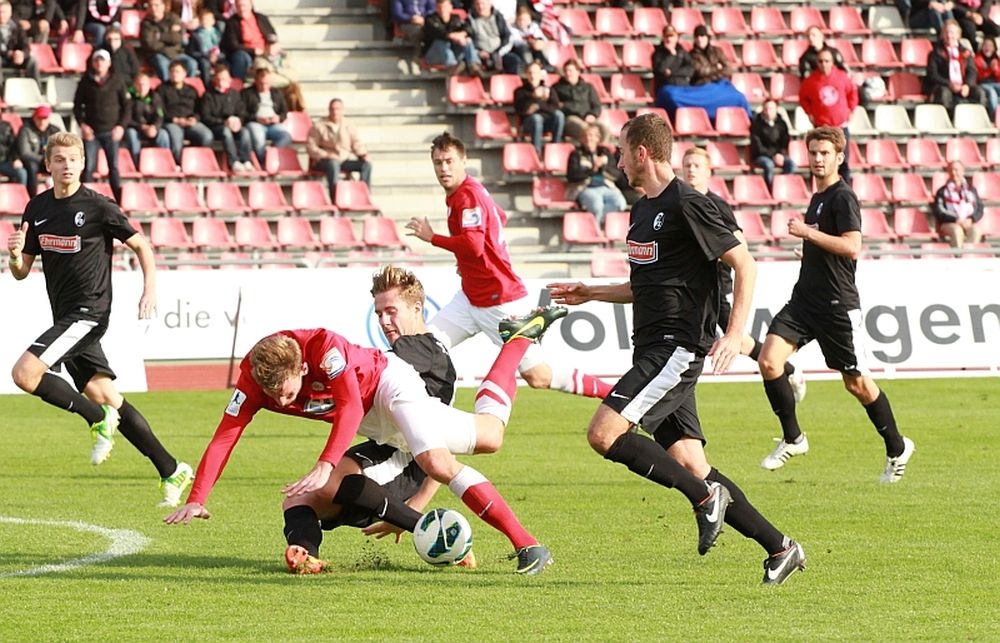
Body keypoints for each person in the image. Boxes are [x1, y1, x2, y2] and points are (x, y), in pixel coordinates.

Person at [546, 113, 806, 586]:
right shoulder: (641, 210)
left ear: (643, 152)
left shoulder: (689, 203)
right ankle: (781, 547)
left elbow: (745, 265)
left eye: (622, 150)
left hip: (676, 347)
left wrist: (733, 333)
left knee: (603, 434)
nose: (618, 160)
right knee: (692, 464)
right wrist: (591, 291)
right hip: (651, 346)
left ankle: (704, 499)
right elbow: (643, 285)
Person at [162, 302, 563, 576]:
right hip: (374, 423)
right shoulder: (255, 379)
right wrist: (198, 498)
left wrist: (325, 461)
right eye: (275, 398)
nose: (283, 402)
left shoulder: (323, 347)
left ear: (303, 366)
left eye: (287, 392)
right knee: (489, 435)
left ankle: (528, 545)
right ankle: (517, 342)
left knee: (438, 464)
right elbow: (224, 435)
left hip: (390, 387)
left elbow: (350, 407)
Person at [5, 131, 193, 508]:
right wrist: (12, 256)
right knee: (108, 396)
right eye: (59, 159)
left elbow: (141, 244)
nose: (67, 165)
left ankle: (95, 419)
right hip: (65, 315)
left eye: (73, 159)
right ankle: (171, 468)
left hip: (89, 312)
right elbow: (22, 271)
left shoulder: (97, 206)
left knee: (24, 375)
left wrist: (149, 289)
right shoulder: (37, 208)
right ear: (48, 164)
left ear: (83, 163)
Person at [755, 126, 915, 482]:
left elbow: (852, 246)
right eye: (813, 152)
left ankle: (896, 446)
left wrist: (808, 234)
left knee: (855, 383)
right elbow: (830, 247)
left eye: (824, 153)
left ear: (839, 157)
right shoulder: (818, 198)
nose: (817, 159)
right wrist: (810, 251)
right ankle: (793, 438)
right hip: (804, 300)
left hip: (835, 304)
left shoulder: (843, 197)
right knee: (768, 360)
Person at [405, 131, 612, 400]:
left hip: (498, 298)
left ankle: (614, 394)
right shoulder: (468, 192)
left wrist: (432, 238)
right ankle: (433, 416)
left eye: (449, 161)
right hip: (470, 297)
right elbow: (499, 217)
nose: (443, 168)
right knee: (425, 346)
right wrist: (468, 261)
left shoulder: (467, 196)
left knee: (538, 376)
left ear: (463, 160)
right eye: (438, 162)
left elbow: (474, 245)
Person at [682, 146, 806, 402]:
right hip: (690, 288)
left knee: (734, 340)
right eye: (687, 165)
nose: (691, 170)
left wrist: (712, 252)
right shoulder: (680, 202)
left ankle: (787, 370)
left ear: (708, 171)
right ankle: (787, 370)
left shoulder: (715, 205)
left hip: (716, 288)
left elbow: (740, 244)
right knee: (735, 341)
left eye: (697, 165)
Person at [73, 48, 129, 203]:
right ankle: (86, 201)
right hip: (92, 132)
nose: (99, 63)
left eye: (102, 60)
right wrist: (82, 125)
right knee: (88, 167)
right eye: (97, 60)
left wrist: (121, 126)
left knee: (114, 168)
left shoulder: (117, 80)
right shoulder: (86, 81)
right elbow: (77, 106)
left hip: (111, 131)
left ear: (109, 63)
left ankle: (118, 202)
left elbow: (127, 106)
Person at [799, 48, 858, 183]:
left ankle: (845, 195)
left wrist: (851, 110)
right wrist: (809, 112)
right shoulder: (811, 81)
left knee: (842, 162)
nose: (823, 64)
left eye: (826, 61)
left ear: (832, 62)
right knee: (819, 163)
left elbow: (852, 94)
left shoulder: (842, 76)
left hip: (840, 127)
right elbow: (803, 98)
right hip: (822, 129)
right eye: (820, 61)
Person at [306, 98, 372, 202]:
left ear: (342, 110)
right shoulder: (319, 126)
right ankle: (335, 198)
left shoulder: (349, 126)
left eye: (338, 109)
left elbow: (356, 143)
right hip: (324, 161)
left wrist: (363, 154)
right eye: (332, 109)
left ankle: (364, 196)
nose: (335, 112)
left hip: (343, 159)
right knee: (333, 164)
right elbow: (311, 147)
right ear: (329, 110)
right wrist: (327, 155)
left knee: (366, 165)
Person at [565, 123, 626, 228]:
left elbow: (617, 174)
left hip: (606, 186)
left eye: (592, 135)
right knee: (596, 205)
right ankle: (596, 231)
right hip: (585, 188)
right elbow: (572, 175)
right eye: (586, 136)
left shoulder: (604, 152)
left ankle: (593, 225)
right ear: (582, 139)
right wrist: (593, 168)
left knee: (620, 203)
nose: (589, 138)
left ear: (598, 138)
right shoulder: (576, 154)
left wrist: (603, 166)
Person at [924, 19, 989, 117]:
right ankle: (948, 121)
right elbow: (932, 75)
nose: (949, 36)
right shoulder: (935, 53)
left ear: (958, 35)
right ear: (942, 35)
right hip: (945, 86)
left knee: (979, 93)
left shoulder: (966, 53)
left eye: (952, 33)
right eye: (946, 32)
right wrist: (950, 84)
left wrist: (967, 85)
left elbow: (972, 72)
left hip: (963, 86)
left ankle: (979, 119)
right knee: (943, 93)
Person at [158, 59, 214, 165]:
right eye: (172, 71)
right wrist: (174, 119)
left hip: (189, 121)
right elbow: (159, 110)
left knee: (207, 135)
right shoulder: (161, 89)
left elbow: (199, 109)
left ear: (184, 74)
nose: (174, 74)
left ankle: (198, 162)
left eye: (177, 72)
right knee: (176, 139)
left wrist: (195, 119)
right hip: (172, 122)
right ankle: (179, 165)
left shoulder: (192, 90)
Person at [200, 63, 254, 173]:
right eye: (219, 79)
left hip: (234, 124)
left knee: (245, 132)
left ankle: (246, 160)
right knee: (226, 132)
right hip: (217, 126)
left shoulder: (235, 94)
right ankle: (233, 162)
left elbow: (241, 111)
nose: (221, 82)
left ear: (229, 79)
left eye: (224, 79)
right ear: (215, 79)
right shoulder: (208, 95)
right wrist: (223, 122)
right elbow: (206, 116)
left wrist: (239, 121)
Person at [242, 66, 292, 167]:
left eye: (266, 83)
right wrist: (256, 119)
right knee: (258, 139)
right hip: (256, 123)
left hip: (273, 124)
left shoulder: (276, 93)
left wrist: (278, 118)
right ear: (256, 81)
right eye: (261, 83)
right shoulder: (247, 93)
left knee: (286, 136)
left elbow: (284, 111)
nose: (264, 86)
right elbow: (242, 113)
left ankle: (270, 156)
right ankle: (265, 162)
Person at [513, 60, 565, 154]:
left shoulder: (549, 90)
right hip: (529, 123)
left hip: (547, 122)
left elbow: (555, 107)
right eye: (530, 73)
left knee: (559, 115)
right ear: (526, 75)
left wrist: (538, 105)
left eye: (535, 73)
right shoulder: (520, 91)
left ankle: (555, 148)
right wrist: (533, 98)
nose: (533, 76)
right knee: (536, 118)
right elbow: (520, 110)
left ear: (540, 75)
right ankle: (537, 153)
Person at [221, 0, 280, 82]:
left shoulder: (261, 18)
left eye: (244, 5)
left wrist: (273, 45)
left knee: (279, 57)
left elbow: (272, 35)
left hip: (266, 51)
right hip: (246, 53)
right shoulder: (232, 22)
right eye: (238, 6)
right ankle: (238, 85)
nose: (241, 9)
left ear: (250, 5)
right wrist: (253, 51)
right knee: (241, 57)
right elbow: (233, 45)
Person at [140, 0, 199, 81]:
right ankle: (167, 88)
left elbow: (178, 38)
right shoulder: (146, 24)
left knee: (192, 63)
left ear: (163, 6)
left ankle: (186, 87)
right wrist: (169, 36)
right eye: (151, 6)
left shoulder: (173, 18)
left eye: (156, 5)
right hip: (158, 54)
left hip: (176, 53)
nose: (154, 8)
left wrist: (160, 36)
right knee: (163, 64)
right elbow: (149, 44)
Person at [420, 0, 480, 76]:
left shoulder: (456, 18)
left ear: (450, 8)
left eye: (445, 7)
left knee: (467, 41)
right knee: (441, 42)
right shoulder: (430, 20)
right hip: (434, 54)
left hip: (451, 51)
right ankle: (452, 66)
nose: (442, 10)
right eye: (439, 7)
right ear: (436, 8)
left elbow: (468, 29)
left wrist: (462, 34)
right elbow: (439, 33)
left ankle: (474, 65)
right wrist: (454, 37)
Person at [933, 159, 984, 248]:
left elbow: (979, 208)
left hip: (968, 221)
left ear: (962, 172)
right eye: (951, 170)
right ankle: (958, 257)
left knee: (976, 231)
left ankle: (968, 255)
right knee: (957, 231)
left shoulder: (971, 189)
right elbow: (939, 211)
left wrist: (971, 219)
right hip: (949, 222)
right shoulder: (942, 191)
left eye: (957, 170)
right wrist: (956, 219)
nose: (954, 172)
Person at [124, 71, 171, 166]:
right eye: (139, 85)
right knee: (131, 134)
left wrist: (155, 127)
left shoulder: (155, 97)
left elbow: (160, 115)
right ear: (134, 85)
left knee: (163, 134)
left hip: (151, 129)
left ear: (149, 85)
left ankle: (165, 163)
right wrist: (142, 127)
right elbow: (126, 118)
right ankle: (136, 163)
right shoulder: (128, 98)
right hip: (135, 128)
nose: (142, 88)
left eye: (144, 85)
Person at [552, 59, 605, 143]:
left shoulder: (588, 87)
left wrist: (592, 114)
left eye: (570, 71)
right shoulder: (557, 88)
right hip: (570, 118)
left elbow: (596, 105)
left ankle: (602, 152)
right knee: (586, 130)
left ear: (578, 72)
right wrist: (567, 106)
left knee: (604, 129)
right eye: (566, 71)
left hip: (588, 117)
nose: (568, 73)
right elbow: (556, 106)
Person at [750, 98, 797, 189]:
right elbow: (757, 146)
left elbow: (785, 142)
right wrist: (772, 156)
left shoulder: (782, 124)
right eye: (766, 109)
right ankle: (770, 189)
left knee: (791, 165)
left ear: (776, 109)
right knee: (769, 165)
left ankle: (783, 186)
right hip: (761, 155)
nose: (768, 111)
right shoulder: (756, 124)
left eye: (771, 109)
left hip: (778, 154)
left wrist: (780, 154)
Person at [467, 0, 520, 75]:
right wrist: (478, 52)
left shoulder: (498, 17)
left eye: (483, 4)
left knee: (513, 60)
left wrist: (497, 53)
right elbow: (468, 40)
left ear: (489, 4)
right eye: (477, 4)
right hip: (480, 54)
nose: (480, 7)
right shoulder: (470, 20)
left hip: (499, 52)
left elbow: (508, 37)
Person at [0, 0, 40, 85]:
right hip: (2, 57)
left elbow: (26, 45)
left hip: (16, 58)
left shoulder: (17, 27)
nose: (1, 15)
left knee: (32, 61)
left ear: (10, 13)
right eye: (0, 12)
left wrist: (22, 54)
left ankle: (36, 90)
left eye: (4, 12)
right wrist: (9, 54)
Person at [651, 24, 693, 95]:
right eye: (667, 36)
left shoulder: (681, 52)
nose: (669, 39)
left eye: (671, 36)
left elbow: (690, 69)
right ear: (663, 38)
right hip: (666, 88)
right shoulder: (657, 53)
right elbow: (660, 69)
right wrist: (671, 55)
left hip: (682, 86)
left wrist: (673, 72)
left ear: (676, 38)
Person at [509, 4, 551, 72]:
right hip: (521, 49)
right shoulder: (513, 28)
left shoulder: (534, 26)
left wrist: (539, 42)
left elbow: (542, 38)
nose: (522, 22)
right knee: (525, 50)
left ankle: (545, 66)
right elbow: (516, 42)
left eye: (524, 20)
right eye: (520, 19)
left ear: (529, 19)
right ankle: (530, 68)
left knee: (540, 47)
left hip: (534, 47)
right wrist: (529, 43)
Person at [188, 6, 224, 84]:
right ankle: (207, 85)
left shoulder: (218, 34)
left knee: (226, 63)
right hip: (203, 56)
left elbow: (223, 48)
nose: (206, 22)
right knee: (205, 64)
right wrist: (207, 55)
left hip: (218, 56)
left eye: (208, 19)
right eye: (204, 19)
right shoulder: (195, 35)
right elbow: (192, 52)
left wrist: (217, 55)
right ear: (200, 21)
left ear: (213, 21)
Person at [974, 35, 1000, 118]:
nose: (987, 48)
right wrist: (989, 69)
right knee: (992, 92)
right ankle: (995, 117)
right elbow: (978, 77)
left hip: (995, 83)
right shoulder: (976, 59)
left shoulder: (997, 60)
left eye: (990, 46)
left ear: (994, 48)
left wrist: (995, 69)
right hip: (982, 84)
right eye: (985, 45)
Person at [0, 114, 27, 187]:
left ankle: (22, 196)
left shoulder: (6, 127)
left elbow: (13, 145)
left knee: (22, 173)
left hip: (3, 163)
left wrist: (16, 159)